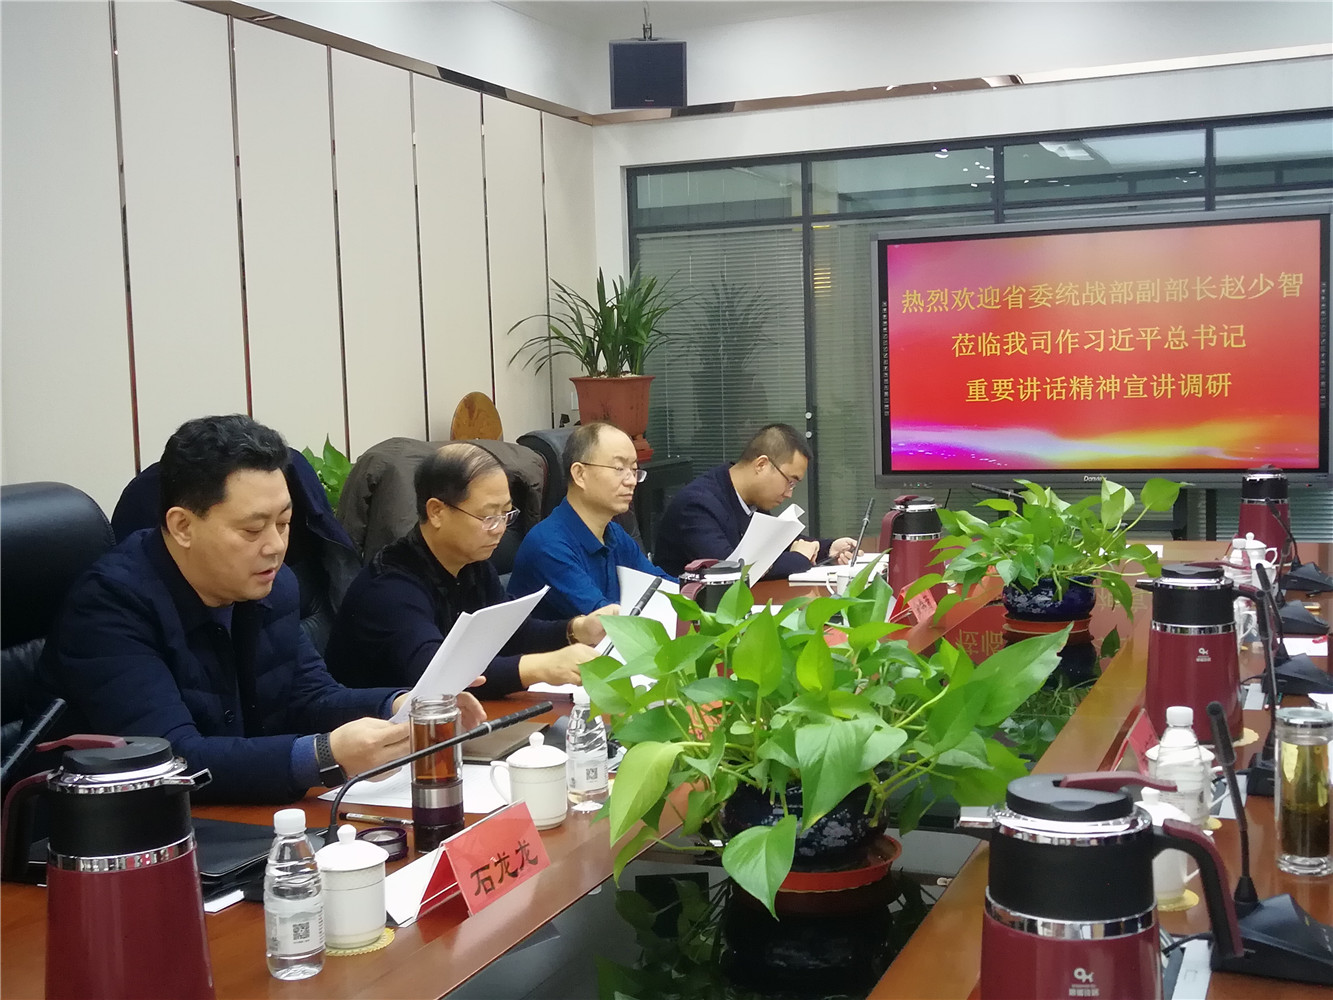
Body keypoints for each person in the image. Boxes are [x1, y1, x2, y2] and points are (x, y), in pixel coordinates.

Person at [31, 414, 485, 804]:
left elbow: (310, 697)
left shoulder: (272, 585)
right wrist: (324, 755)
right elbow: (171, 762)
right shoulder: (109, 607)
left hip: (233, 817)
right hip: (103, 838)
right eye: (252, 530)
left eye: (284, 523)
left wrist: (402, 705)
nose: (275, 547)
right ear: (182, 526)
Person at [325, 442, 615, 696]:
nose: (500, 528)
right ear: (437, 512)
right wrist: (542, 667)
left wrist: (577, 629)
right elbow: (438, 675)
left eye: (506, 513)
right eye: (488, 516)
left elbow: (509, 634)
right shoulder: (391, 587)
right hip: (380, 731)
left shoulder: (473, 565)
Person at [507, 422, 674, 618]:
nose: (631, 481)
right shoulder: (549, 546)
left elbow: (662, 587)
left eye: (634, 469)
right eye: (619, 468)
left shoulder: (614, 534)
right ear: (580, 474)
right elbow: (603, 621)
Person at [654, 423, 857, 579]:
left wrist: (827, 549)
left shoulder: (749, 498)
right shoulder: (697, 504)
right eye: (790, 482)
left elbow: (777, 542)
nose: (789, 493)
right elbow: (730, 569)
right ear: (761, 464)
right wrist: (798, 559)